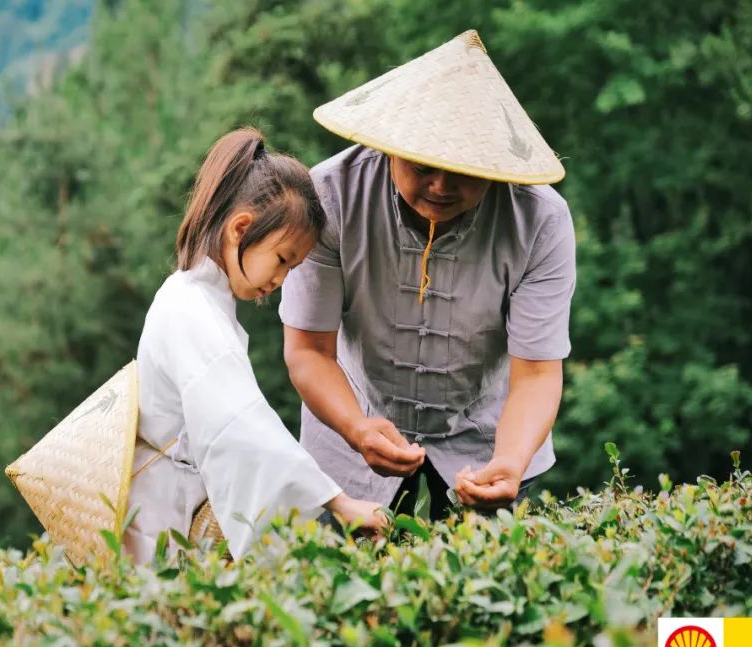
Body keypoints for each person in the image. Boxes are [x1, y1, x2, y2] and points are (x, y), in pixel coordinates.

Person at [279, 30, 577, 522]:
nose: (441, 186)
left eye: (462, 170)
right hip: (348, 450)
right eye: (421, 167)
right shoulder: (330, 198)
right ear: (390, 148)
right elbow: (308, 350)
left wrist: (509, 462)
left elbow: (538, 372)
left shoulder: (540, 220)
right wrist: (356, 428)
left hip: (486, 446)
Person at [123, 127, 389, 564]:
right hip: (164, 518)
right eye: (283, 259)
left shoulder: (194, 300)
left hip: (168, 509)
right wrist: (338, 503)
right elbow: (242, 430)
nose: (281, 279)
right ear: (241, 228)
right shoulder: (190, 310)